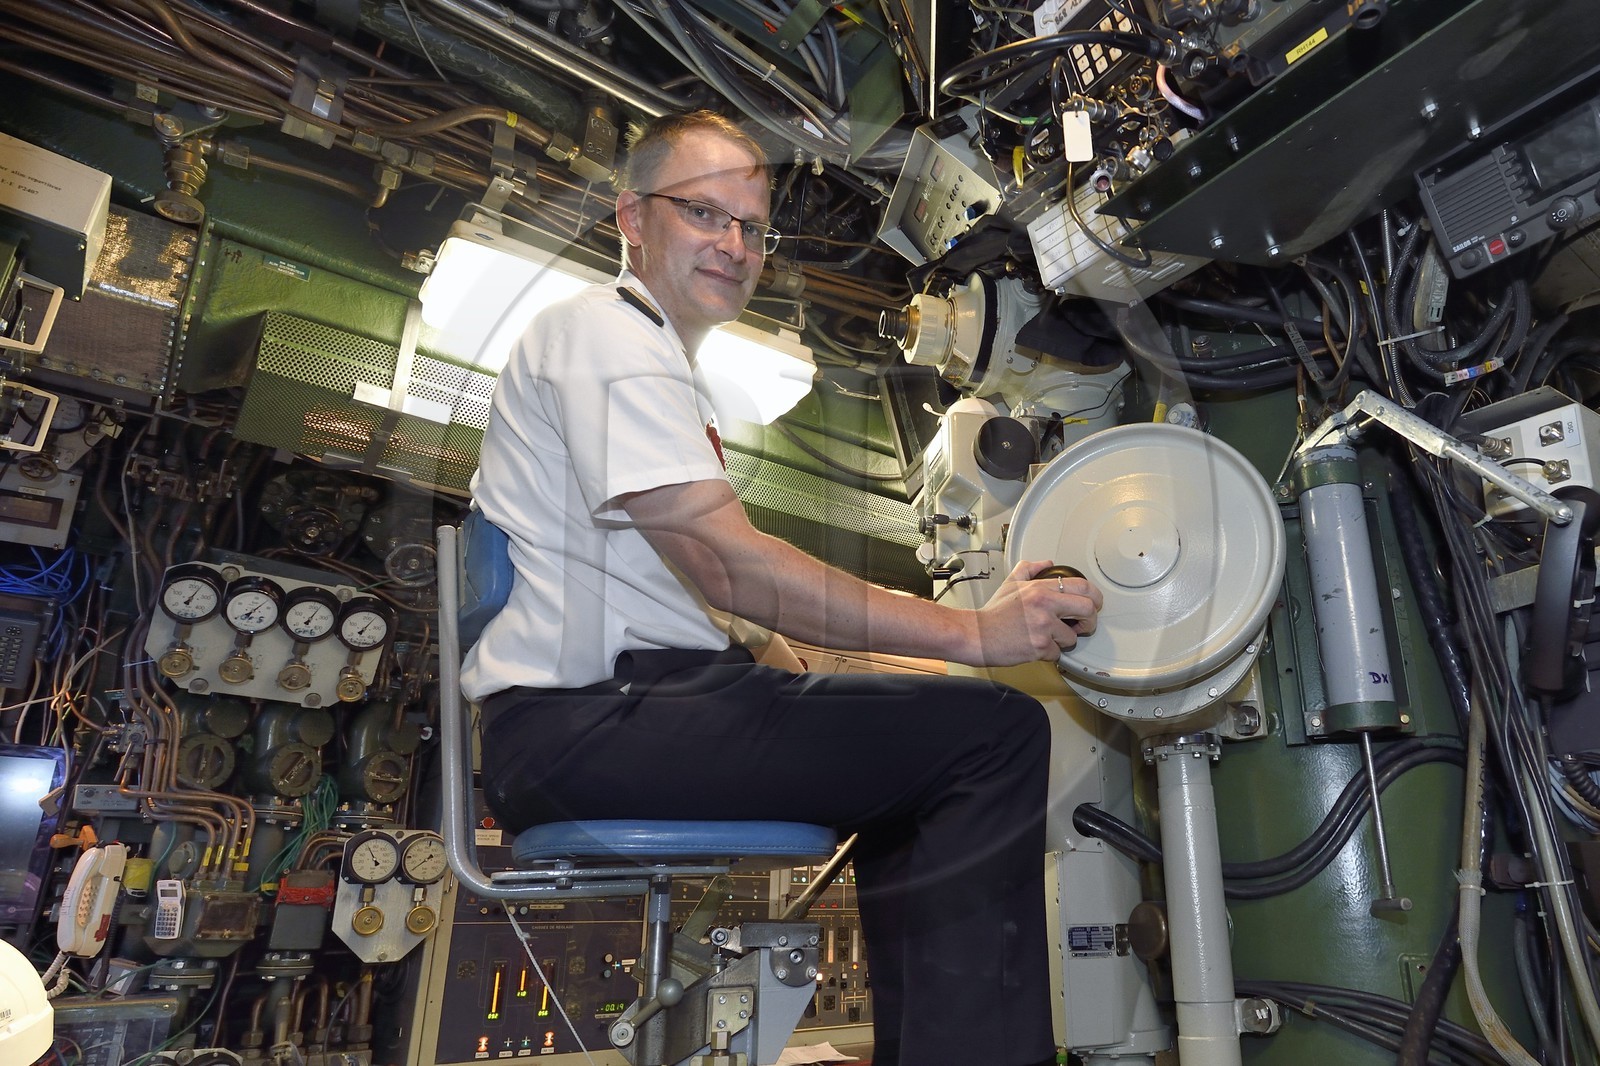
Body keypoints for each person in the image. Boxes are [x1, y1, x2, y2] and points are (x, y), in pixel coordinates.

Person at [460, 109, 1103, 1066]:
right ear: (630, 217)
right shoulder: (604, 336)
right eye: (703, 214)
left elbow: (769, 639)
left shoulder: (661, 369)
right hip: (590, 722)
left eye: (752, 227)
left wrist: (929, 652)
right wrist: (976, 635)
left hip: (624, 708)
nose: (733, 244)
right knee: (994, 740)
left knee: (931, 743)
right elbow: (731, 566)